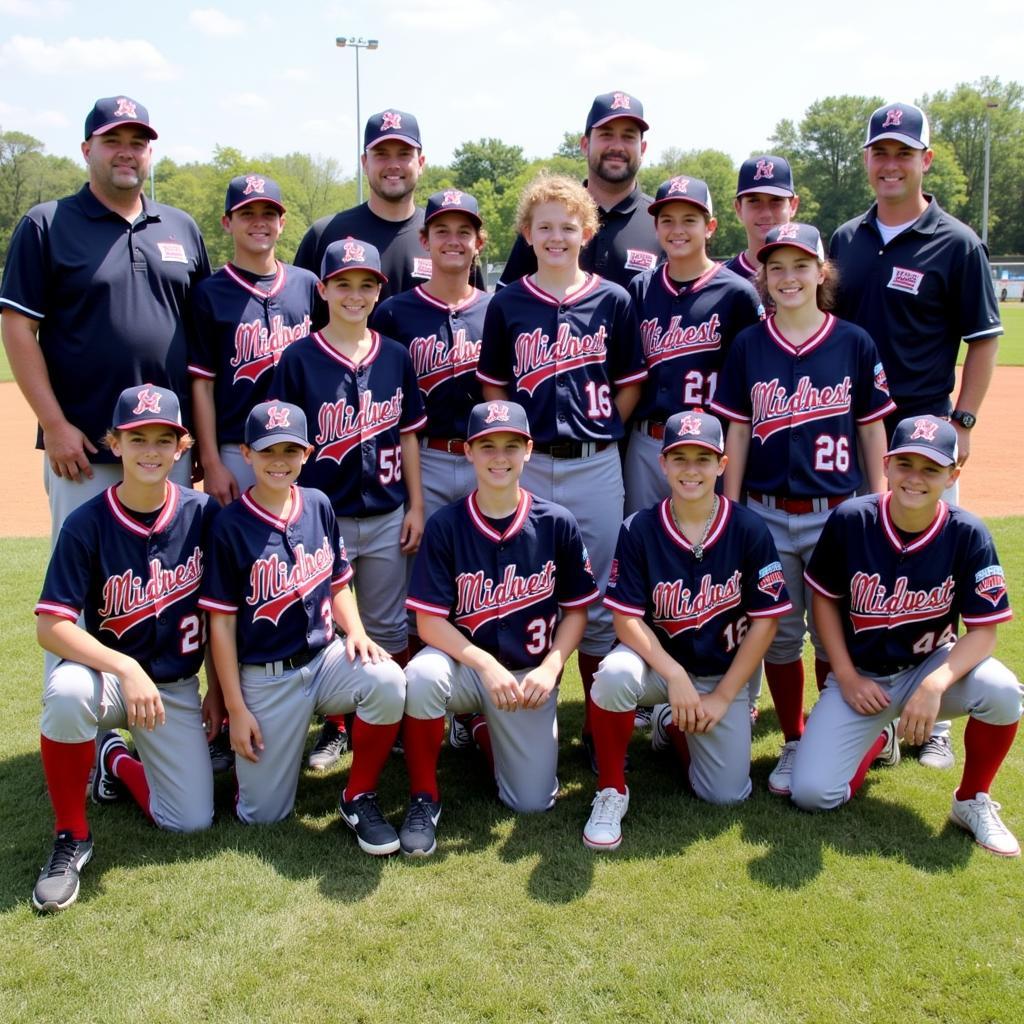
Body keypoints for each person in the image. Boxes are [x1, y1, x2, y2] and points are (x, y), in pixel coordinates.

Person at [829, 101, 1004, 769]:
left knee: (933, 578)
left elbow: (984, 341)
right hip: (849, 434)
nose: (891, 163)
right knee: (856, 575)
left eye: (905, 152)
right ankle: (863, 709)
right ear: (868, 160)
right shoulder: (846, 240)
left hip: (924, 439)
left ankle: (933, 718)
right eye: (881, 151)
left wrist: (963, 420)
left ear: (925, 160)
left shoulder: (955, 242)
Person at [711, 222, 895, 796]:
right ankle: (793, 739)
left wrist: (879, 501)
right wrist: (733, 506)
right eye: (776, 268)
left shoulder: (853, 342)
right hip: (765, 512)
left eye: (800, 265)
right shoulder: (749, 345)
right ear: (762, 278)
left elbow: (871, 431)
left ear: (822, 271)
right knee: (781, 634)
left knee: (835, 627)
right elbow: (736, 432)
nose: (788, 278)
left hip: (838, 511)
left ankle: (839, 731)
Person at [477, 172, 647, 772]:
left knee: (597, 599)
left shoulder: (613, 299)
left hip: (594, 464)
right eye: (544, 226)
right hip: (524, 465)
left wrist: (600, 434)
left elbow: (628, 385)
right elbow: (495, 387)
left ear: (587, 231)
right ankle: (510, 717)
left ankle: (601, 739)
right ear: (527, 233)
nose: (556, 236)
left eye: (567, 226)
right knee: (518, 591)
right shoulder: (509, 301)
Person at [791, 415, 1021, 857]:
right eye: (905, 464)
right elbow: (823, 601)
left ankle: (971, 799)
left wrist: (935, 685)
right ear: (887, 464)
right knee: (812, 795)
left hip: (930, 668)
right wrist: (847, 676)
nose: (915, 478)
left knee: (1003, 691)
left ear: (953, 475)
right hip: (861, 677)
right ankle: (881, 736)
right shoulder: (851, 519)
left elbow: (984, 632)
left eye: (931, 469)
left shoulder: (967, 532)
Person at [31, 385, 219, 913]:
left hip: (176, 689)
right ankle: (71, 834)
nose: (151, 451)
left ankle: (113, 760)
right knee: (66, 691)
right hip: (111, 683)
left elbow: (223, 619)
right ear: (114, 443)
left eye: (164, 439)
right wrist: (124, 667)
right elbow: (51, 627)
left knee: (189, 822)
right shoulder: (86, 523)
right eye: (138, 438)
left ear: (182, 448)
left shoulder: (203, 516)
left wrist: (220, 693)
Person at [199, 401, 408, 854]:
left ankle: (359, 795)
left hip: (324, 658)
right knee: (262, 817)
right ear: (246, 454)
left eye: (290, 450)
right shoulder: (229, 525)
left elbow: (337, 584)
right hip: (266, 677)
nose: (279, 461)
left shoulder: (317, 504)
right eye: (268, 451)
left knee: (388, 680)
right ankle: (246, 768)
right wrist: (235, 708)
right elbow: (220, 627)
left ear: (308, 453)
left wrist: (355, 630)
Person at [0, 96, 210, 544]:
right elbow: (18, 328)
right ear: (86, 150)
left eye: (137, 142)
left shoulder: (180, 227)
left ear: (150, 153)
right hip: (84, 446)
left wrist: (197, 444)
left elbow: (200, 341)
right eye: (111, 140)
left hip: (167, 443)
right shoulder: (47, 224)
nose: (126, 151)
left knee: (169, 577)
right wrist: (55, 426)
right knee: (83, 579)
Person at [583, 411, 791, 850]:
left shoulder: (749, 529)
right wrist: (674, 674)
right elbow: (625, 618)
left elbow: (766, 621)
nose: (691, 469)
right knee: (614, 675)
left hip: (720, 673)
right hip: (656, 667)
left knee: (725, 796)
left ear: (722, 463)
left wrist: (721, 695)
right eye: (680, 458)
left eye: (703, 458)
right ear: (663, 464)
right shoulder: (639, 528)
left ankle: (674, 726)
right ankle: (610, 789)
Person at [399, 400, 598, 855]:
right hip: (466, 668)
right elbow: (428, 622)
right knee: (422, 676)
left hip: (529, 675)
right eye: (487, 446)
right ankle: (424, 797)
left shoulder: (556, 522)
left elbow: (577, 612)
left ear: (529, 450)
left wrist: (553, 665)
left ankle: (479, 728)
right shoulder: (447, 525)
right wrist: (483, 663)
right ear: (468, 452)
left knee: (530, 803)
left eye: (511, 446)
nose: (500, 457)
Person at [625, 175, 763, 515]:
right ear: (655, 228)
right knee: (642, 542)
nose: (678, 230)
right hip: (648, 441)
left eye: (690, 220)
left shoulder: (737, 293)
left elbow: (750, 387)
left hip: (708, 445)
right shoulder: (640, 288)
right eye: (667, 221)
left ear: (710, 226)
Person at [189, 173, 319, 506]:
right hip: (238, 449)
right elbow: (202, 385)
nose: (259, 223)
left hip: (300, 446)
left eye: (268, 214)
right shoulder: (209, 293)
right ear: (226, 222)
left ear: (282, 222)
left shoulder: (307, 285)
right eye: (247, 213)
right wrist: (212, 462)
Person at [372, 188, 491, 523]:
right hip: (421, 459)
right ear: (424, 241)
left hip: (484, 457)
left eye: (464, 232)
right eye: (442, 231)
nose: (452, 241)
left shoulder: (496, 310)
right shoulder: (393, 313)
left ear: (478, 243)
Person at [294, 109, 483, 306]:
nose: (393, 165)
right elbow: (299, 317)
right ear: (365, 163)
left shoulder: (447, 238)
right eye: (382, 154)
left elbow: (474, 314)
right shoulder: (325, 234)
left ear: (421, 163)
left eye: (404, 154)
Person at [498, 91, 661, 289]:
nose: (617, 146)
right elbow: (507, 305)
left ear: (642, 149)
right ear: (585, 144)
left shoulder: (661, 222)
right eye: (606, 134)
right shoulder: (548, 215)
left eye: (628, 137)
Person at [723, 156, 799, 282]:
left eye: (776, 200)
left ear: (793, 205)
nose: (766, 213)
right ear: (738, 208)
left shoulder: (815, 278)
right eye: (754, 201)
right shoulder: (719, 281)